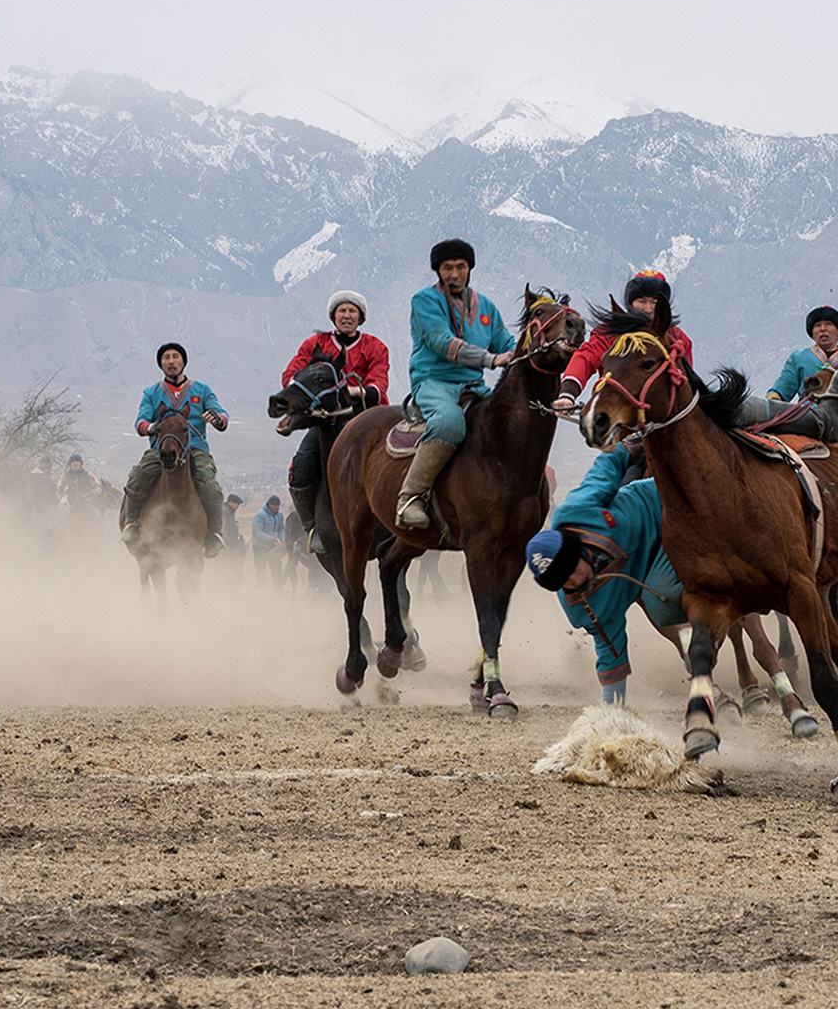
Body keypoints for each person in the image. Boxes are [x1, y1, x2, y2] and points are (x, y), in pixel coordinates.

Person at [524, 442, 685, 706]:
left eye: (573, 570)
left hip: (664, 507)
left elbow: (607, 466)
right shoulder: (581, 606)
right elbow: (610, 653)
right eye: (565, 582)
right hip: (654, 567)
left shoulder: (577, 510)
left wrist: (638, 440)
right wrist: (611, 712)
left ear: (577, 548)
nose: (576, 581)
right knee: (662, 601)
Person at [398, 239, 516, 530]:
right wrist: (491, 359)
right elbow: (441, 342)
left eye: (460, 267)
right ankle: (410, 498)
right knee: (450, 422)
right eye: (447, 268)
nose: (454, 274)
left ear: (469, 268)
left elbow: (506, 344)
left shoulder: (486, 306)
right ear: (438, 271)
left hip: (473, 385)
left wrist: (526, 353)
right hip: (433, 382)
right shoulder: (425, 300)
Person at [280, 289, 389, 556]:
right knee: (301, 468)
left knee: (394, 465)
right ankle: (312, 528)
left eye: (352, 311)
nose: (347, 315)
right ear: (333, 316)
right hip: (325, 421)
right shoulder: (315, 344)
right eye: (342, 310)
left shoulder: (375, 346)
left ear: (360, 317)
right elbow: (291, 376)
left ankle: (396, 521)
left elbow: (378, 386)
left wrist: (347, 391)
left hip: (366, 419)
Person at [120, 342, 228, 555]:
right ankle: (131, 524)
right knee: (138, 476)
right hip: (161, 448)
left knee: (210, 485)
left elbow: (222, 416)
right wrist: (150, 427)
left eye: (175, 356)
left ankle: (214, 534)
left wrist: (217, 418)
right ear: (161, 364)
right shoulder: (151, 393)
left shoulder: (202, 390)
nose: (171, 361)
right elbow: (140, 421)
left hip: (195, 448)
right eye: (166, 358)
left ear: (183, 362)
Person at [555, 270, 691, 416]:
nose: (648, 309)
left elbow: (685, 382)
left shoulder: (678, 339)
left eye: (654, 303)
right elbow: (585, 358)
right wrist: (568, 394)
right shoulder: (610, 333)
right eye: (642, 302)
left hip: (661, 417)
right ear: (630, 303)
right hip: (612, 411)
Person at [766, 306, 838, 403]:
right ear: (812, 334)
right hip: (808, 410)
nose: (822, 329)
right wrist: (773, 399)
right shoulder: (799, 358)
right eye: (817, 325)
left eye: (828, 324)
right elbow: (782, 389)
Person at [252, 495, 287, 584]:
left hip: (272, 546)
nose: (277, 507)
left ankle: (278, 587)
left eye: (278, 505)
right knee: (261, 567)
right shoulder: (260, 515)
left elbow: (282, 529)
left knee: (277, 566)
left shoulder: (280, 515)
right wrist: (271, 539)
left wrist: (283, 540)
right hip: (259, 546)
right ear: (269, 504)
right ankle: (260, 587)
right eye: (275, 505)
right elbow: (257, 532)